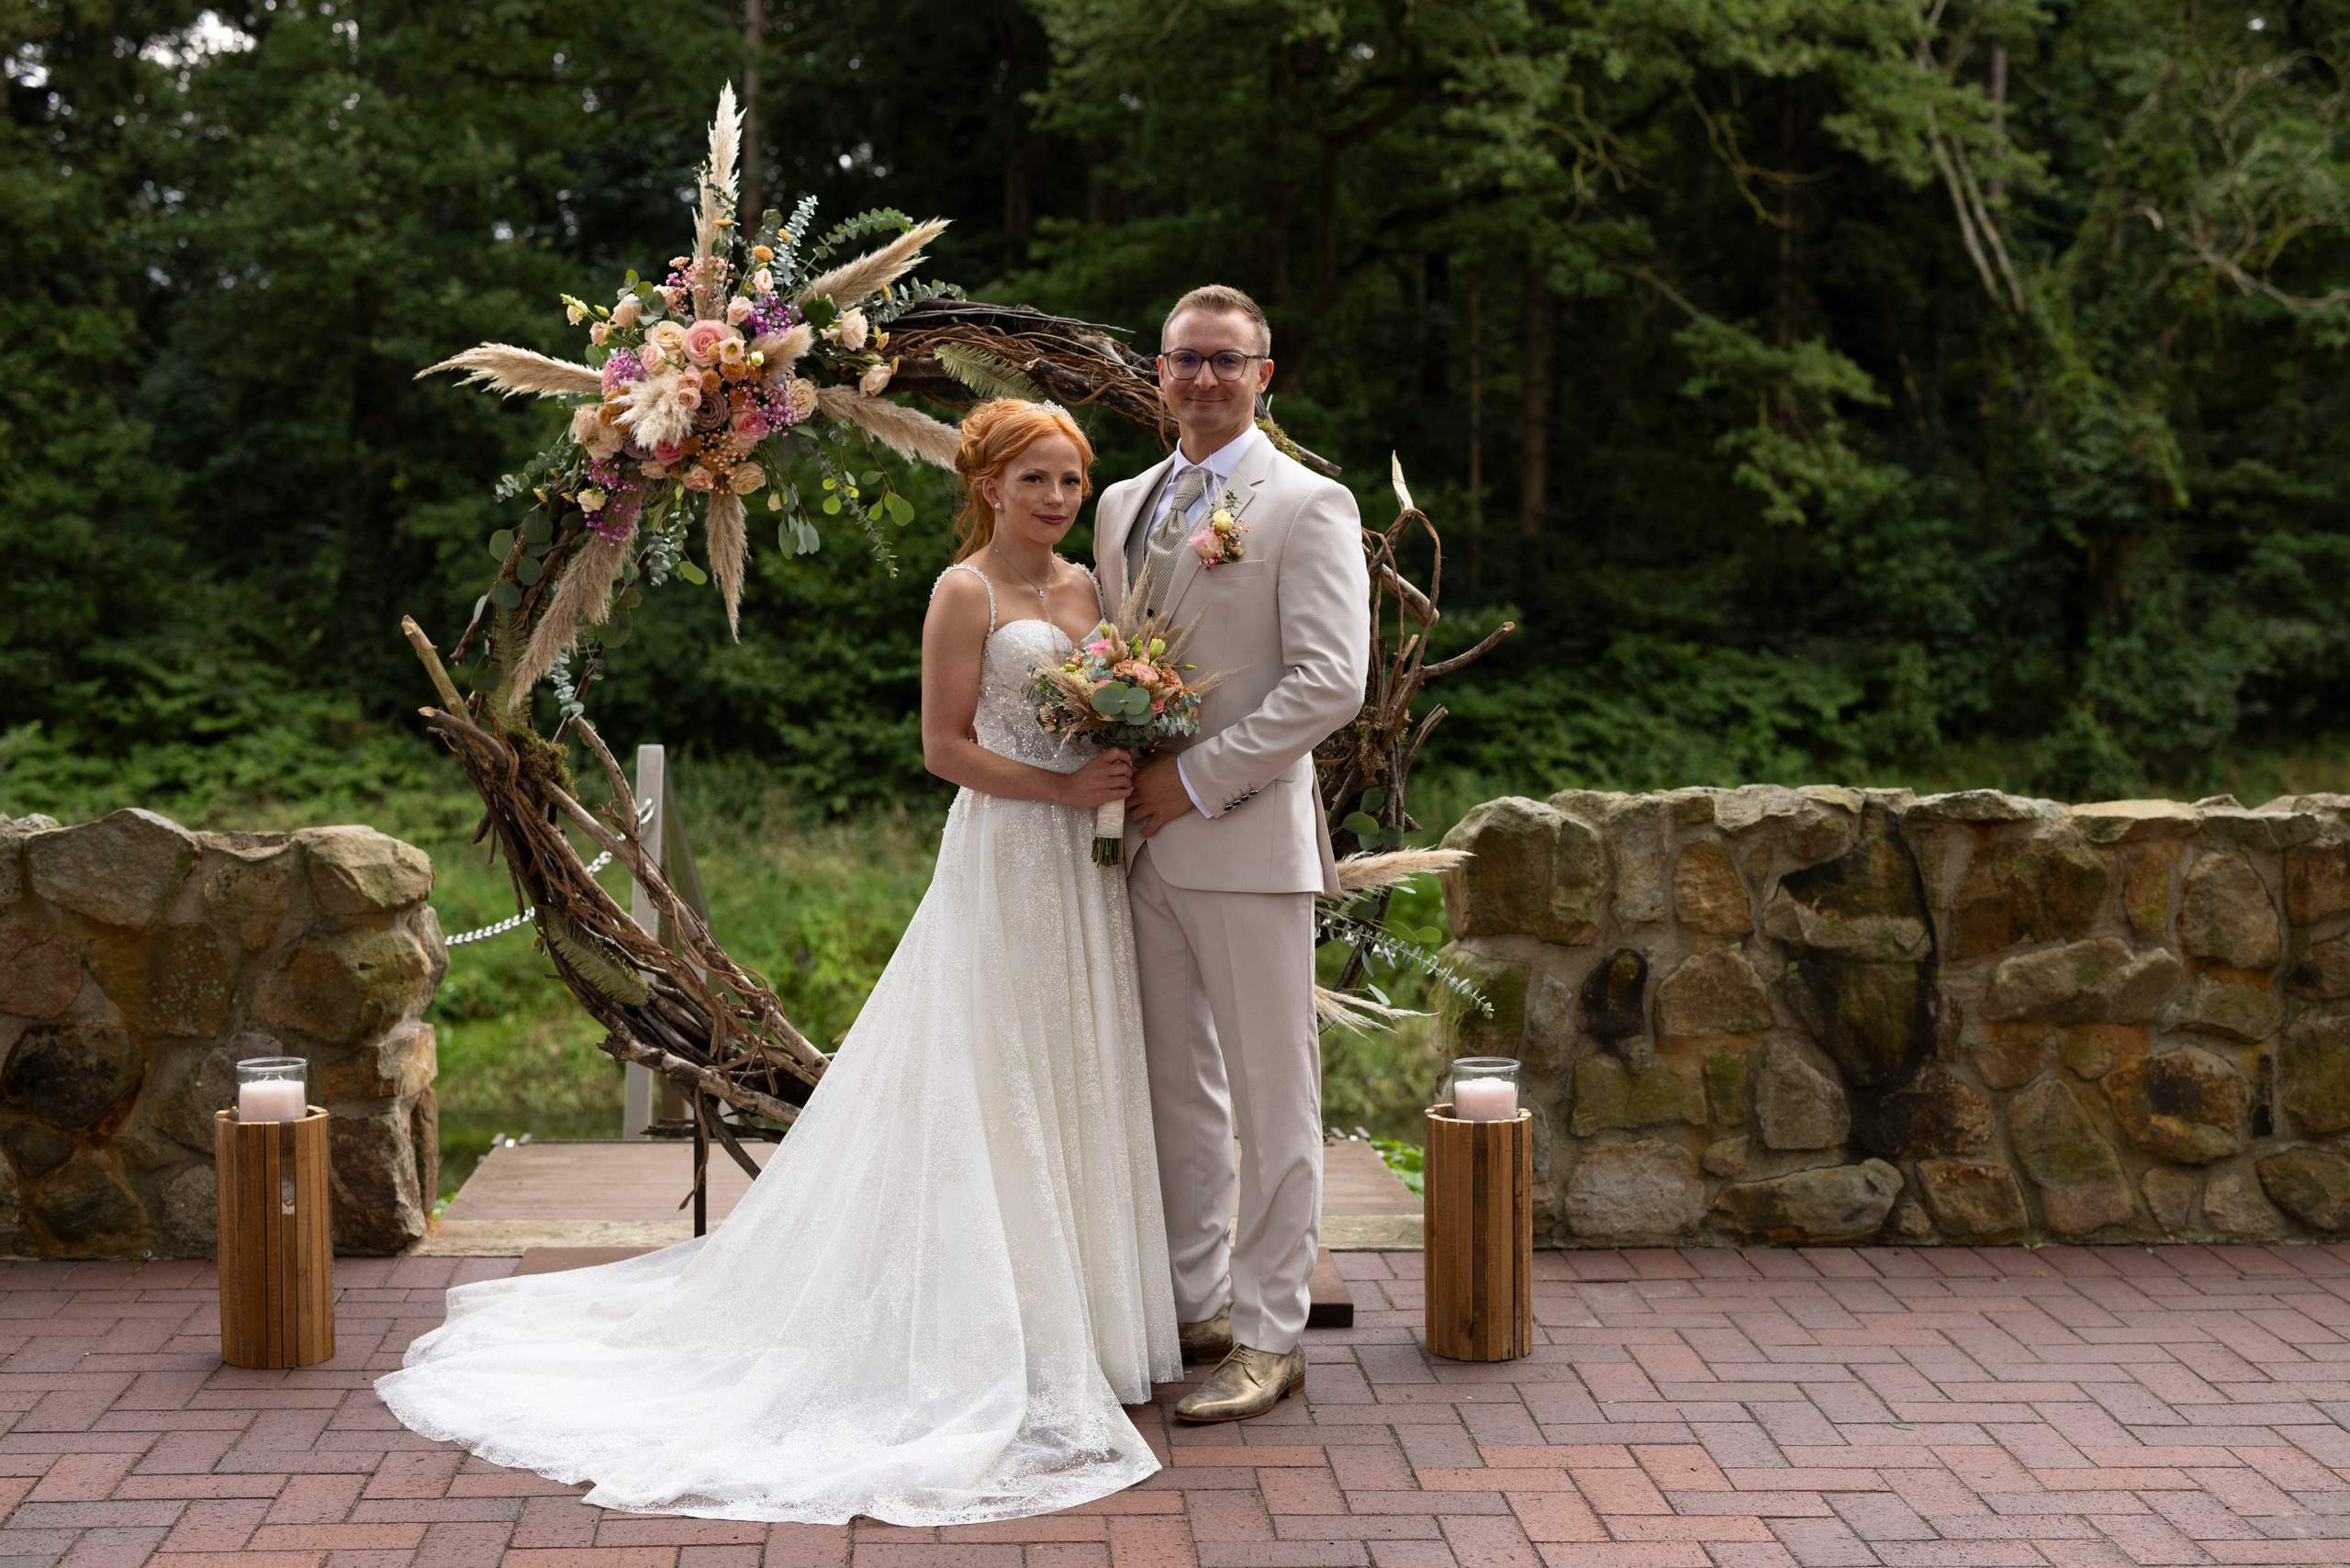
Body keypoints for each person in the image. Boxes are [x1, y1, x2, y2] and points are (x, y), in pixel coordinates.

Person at [376, 399, 1180, 1524]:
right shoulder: (965, 592)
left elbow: (1097, 717)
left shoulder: (1090, 591)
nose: (1057, 500)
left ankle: (1082, 1318)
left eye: (1070, 481)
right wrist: (1058, 786)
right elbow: (942, 746)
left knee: (1072, 1060)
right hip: (1007, 850)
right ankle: (983, 1320)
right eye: (1036, 479)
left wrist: (1118, 751)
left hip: (1082, 865)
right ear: (988, 484)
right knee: (992, 1063)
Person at [1094, 285, 1371, 1423]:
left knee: (1273, 1095)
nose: (1201, 378)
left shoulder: (1306, 503)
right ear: (1155, 374)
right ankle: (1196, 1303)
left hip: (1244, 838)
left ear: (1264, 376)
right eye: (1182, 359)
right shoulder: (1117, 502)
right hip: (1137, 847)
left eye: (1225, 360)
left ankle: (1271, 1333)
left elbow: (1330, 681)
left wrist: (1196, 780)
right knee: (1175, 1093)